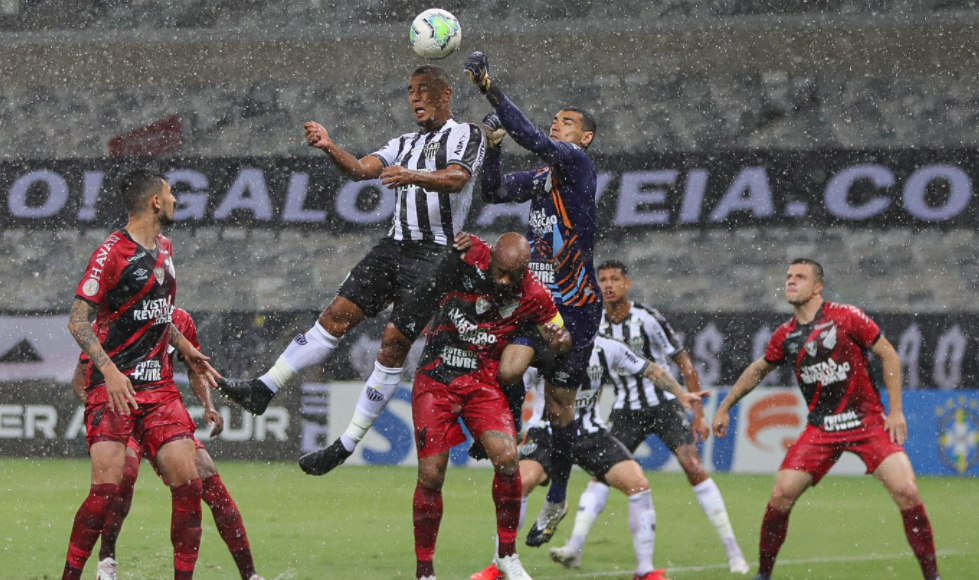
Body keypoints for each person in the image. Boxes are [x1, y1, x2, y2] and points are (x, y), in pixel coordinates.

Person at [217, 64, 486, 473]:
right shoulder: (405, 141)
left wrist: (412, 175)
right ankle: (263, 388)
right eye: (411, 90)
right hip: (394, 247)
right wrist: (329, 146)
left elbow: (457, 178)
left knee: (394, 343)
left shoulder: (468, 134)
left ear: (446, 94)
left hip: (436, 255)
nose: (415, 97)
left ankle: (346, 443)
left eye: (424, 89)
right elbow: (361, 170)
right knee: (334, 318)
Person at [712, 259, 941, 580]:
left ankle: (933, 577)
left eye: (800, 277)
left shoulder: (847, 316)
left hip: (867, 423)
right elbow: (759, 369)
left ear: (817, 287)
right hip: (821, 428)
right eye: (788, 277)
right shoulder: (786, 334)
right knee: (781, 494)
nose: (791, 282)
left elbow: (888, 353)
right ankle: (763, 575)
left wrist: (897, 410)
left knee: (907, 490)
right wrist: (725, 406)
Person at [464, 50, 603, 546]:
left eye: (567, 122)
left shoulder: (577, 164)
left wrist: (491, 90)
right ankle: (509, 432)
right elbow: (495, 191)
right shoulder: (545, 177)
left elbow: (536, 139)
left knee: (560, 409)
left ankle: (558, 495)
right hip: (540, 300)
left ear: (583, 137)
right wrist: (494, 147)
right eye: (556, 119)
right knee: (507, 370)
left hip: (577, 307)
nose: (556, 124)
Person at [62, 169, 221, 580]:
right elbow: (78, 322)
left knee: (189, 485)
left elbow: (156, 315)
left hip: (160, 388)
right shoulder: (110, 253)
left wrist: (188, 349)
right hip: (115, 389)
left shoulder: (165, 248)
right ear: (154, 201)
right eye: (168, 193)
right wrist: (110, 371)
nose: (173, 199)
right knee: (107, 492)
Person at [551, 260, 747, 573]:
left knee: (693, 466)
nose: (609, 285)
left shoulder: (647, 318)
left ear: (626, 283)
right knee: (602, 474)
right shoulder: (595, 323)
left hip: (663, 404)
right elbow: (595, 373)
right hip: (626, 409)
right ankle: (574, 546)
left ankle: (733, 550)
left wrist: (697, 414)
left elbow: (684, 362)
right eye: (603, 280)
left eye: (615, 279)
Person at [472, 336, 708, 580]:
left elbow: (651, 369)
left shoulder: (608, 347)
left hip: (589, 433)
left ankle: (645, 571)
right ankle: (498, 565)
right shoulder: (543, 346)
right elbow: (514, 384)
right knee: (522, 482)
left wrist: (681, 393)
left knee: (638, 484)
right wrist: (509, 422)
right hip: (547, 432)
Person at [405, 232, 569, 580]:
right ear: (492, 256)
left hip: (483, 382)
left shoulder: (534, 293)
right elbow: (429, 276)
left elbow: (560, 331)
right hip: (437, 378)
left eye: (513, 275)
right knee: (432, 475)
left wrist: (561, 339)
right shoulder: (469, 252)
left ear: (525, 270)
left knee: (509, 460)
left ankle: (506, 556)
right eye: (500, 271)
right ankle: (425, 572)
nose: (504, 281)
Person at [72, 307, 262, 580]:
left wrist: (208, 405)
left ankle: (250, 574)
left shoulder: (180, 319)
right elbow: (80, 377)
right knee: (122, 477)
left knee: (208, 479)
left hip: (161, 415)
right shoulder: (113, 317)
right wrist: (102, 412)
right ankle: (107, 559)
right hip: (123, 415)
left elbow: (194, 367)